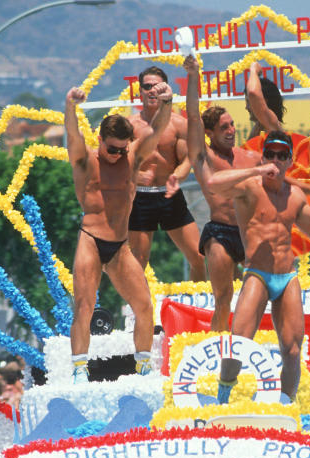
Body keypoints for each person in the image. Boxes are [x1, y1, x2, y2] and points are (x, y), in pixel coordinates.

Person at [204, 130, 310, 404]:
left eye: (281, 156)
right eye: (270, 154)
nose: (275, 160)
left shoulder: (295, 196)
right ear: (264, 156)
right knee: (237, 345)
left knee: (292, 351)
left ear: (289, 160)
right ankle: (222, 398)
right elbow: (212, 183)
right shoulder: (250, 187)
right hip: (257, 273)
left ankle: (285, 406)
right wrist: (253, 170)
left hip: (287, 275)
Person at [66, 82, 173, 384]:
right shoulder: (85, 160)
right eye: (111, 148)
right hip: (90, 239)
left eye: (121, 149)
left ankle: (142, 365)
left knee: (144, 306)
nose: (116, 154)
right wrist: (70, 105)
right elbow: (72, 134)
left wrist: (166, 103)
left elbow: (155, 132)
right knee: (84, 306)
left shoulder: (132, 157)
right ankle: (78, 368)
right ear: (100, 140)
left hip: (120, 245)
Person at [183, 55, 260, 330]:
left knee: (257, 298)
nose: (231, 131)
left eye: (231, 125)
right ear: (209, 133)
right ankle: (218, 349)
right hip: (220, 233)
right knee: (224, 298)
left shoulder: (250, 157)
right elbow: (192, 115)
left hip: (250, 232)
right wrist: (194, 76)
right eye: (223, 127)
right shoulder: (204, 158)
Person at [126, 66, 204, 281]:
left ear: (166, 90)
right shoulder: (130, 125)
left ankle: (198, 306)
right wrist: (134, 175)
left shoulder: (178, 124)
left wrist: (177, 176)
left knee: (198, 256)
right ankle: (135, 312)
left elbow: (188, 158)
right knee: (138, 260)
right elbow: (120, 160)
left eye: (157, 86)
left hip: (169, 194)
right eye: (147, 86)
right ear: (140, 90)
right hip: (140, 196)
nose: (152, 91)